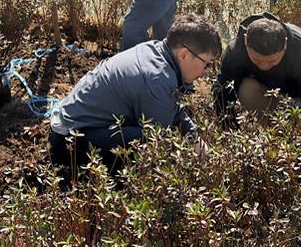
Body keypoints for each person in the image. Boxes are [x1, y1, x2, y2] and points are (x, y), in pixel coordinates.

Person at [49, 15, 221, 172]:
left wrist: (194, 138)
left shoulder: (156, 51)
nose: (207, 71)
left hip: (76, 127)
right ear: (184, 54)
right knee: (152, 143)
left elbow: (173, 108)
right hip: (70, 141)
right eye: (207, 64)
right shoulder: (157, 79)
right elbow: (160, 141)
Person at [213, 12, 301, 126]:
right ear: (245, 41)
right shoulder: (234, 52)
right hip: (271, 93)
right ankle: (273, 134)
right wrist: (229, 131)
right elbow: (223, 95)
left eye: (272, 60)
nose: (264, 66)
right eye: (256, 60)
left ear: (285, 44)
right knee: (246, 88)